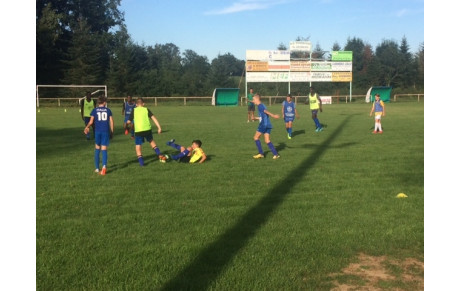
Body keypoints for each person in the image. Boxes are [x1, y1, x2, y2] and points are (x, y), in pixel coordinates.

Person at [126, 97, 166, 166]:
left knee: (138, 147)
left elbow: (129, 121)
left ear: (136, 104)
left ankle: (142, 163)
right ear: (143, 104)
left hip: (138, 130)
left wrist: (128, 126)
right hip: (147, 129)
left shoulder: (134, 110)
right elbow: (154, 118)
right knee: (151, 141)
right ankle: (159, 154)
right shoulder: (146, 109)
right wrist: (159, 127)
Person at [83, 95, 114, 175]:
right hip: (105, 131)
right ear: (104, 102)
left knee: (97, 149)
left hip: (97, 132)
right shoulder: (108, 110)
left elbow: (91, 121)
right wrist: (112, 131)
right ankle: (104, 167)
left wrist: (87, 127)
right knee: (104, 149)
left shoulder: (94, 110)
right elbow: (111, 121)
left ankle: (97, 168)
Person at [251, 93, 281, 159]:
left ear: (257, 99)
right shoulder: (262, 105)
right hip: (268, 124)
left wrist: (273, 115)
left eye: (254, 99)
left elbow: (266, 111)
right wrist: (255, 118)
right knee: (267, 140)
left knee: (256, 137)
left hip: (263, 125)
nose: (253, 101)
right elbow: (262, 116)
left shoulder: (260, 106)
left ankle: (261, 153)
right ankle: (276, 154)